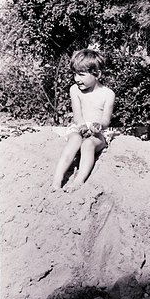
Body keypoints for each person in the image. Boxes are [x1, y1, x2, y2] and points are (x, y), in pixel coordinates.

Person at [52, 48, 115, 192]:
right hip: (79, 127)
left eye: (81, 74)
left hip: (98, 132)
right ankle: (57, 179)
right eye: (74, 74)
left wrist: (98, 126)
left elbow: (106, 119)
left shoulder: (108, 94)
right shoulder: (75, 90)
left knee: (88, 144)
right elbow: (77, 115)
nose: (76, 79)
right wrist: (81, 126)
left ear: (97, 74)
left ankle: (79, 180)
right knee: (74, 140)